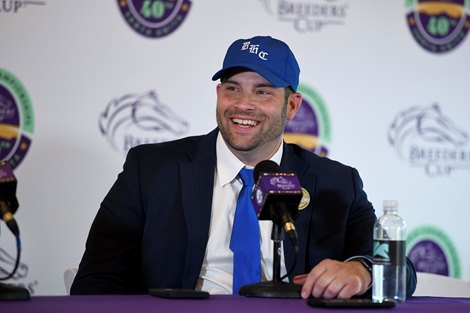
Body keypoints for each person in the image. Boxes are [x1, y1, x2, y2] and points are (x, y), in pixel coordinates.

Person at [71, 35, 417, 299]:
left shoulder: (337, 182)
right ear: (219, 94)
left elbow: (400, 270)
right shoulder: (151, 170)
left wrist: (362, 270)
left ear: (292, 106)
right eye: (232, 89)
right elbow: (96, 279)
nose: (243, 105)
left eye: (263, 92)